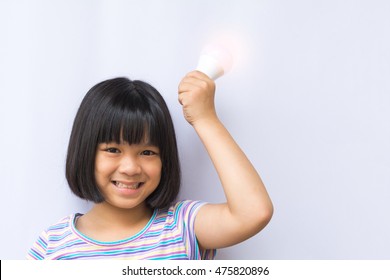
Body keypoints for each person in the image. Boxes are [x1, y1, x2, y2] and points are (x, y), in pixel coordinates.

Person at [27, 71, 273, 260]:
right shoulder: (53, 245)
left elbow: (253, 212)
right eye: (113, 150)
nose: (131, 167)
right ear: (85, 153)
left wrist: (205, 118)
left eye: (147, 152)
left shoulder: (182, 226)